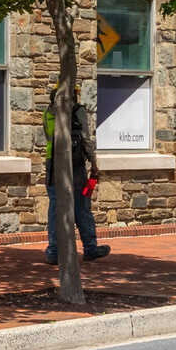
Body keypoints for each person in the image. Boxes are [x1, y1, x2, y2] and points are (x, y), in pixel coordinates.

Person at [44, 95, 109, 266]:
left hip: (53, 166)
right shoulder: (78, 110)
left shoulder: (48, 112)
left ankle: (53, 252)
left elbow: (47, 136)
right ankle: (90, 248)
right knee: (81, 206)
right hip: (75, 166)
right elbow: (86, 139)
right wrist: (94, 163)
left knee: (55, 208)